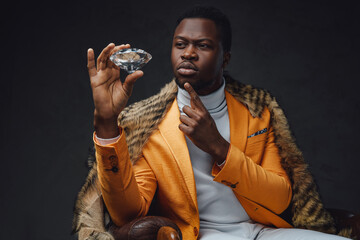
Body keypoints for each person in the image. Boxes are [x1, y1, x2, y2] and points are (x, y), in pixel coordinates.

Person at [73, 6, 351, 240]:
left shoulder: (257, 111)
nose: (188, 53)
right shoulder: (150, 124)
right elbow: (128, 214)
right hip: (202, 234)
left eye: (203, 45)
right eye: (180, 44)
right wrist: (107, 122)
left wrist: (219, 147)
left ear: (225, 58)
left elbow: (280, 199)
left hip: (264, 231)